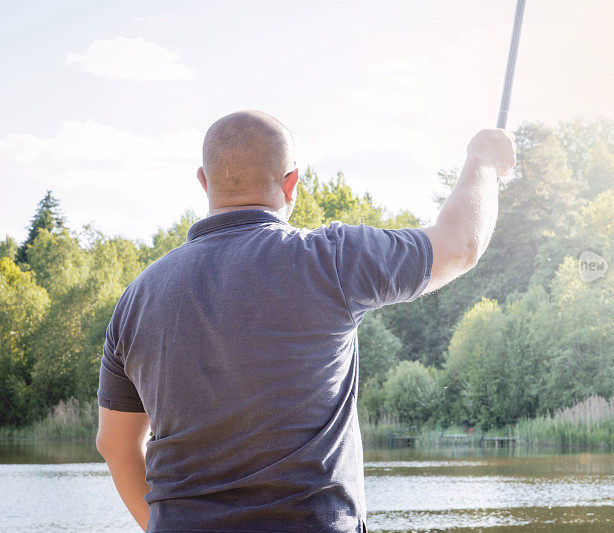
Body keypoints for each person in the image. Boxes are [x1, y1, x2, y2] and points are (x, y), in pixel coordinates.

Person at [95, 110, 516, 532]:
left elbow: (115, 444)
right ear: (291, 182)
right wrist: (483, 160)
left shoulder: (137, 298)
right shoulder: (329, 258)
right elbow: (460, 243)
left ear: (204, 180)